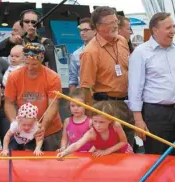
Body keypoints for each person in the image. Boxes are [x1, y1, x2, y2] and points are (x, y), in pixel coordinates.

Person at [128, 12, 175, 156]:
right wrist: (138, 120)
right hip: (155, 114)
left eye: (173, 26)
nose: (172, 31)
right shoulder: (141, 53)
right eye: (168, 28)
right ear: (155, 30)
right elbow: (135, 89)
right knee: (157, 157)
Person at [79, 6, 134, 147]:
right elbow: (86, 88)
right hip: (106, 106)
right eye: (111, 23)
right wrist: (94, 115)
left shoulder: (122, 40)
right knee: (112, 149)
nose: (116, 25)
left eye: (116, 21)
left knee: (129, 145)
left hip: (128, 103)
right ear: (99, 26)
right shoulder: (90, 52)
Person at [4, 42, 62, 151]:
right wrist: (15, 123)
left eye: (34, 64)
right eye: (27, 63)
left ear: (41, 59)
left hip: (51, 130)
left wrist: (43, 126)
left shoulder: (53, 77)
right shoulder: (14, 77)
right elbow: (9, 103)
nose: (30, 67)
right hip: (25, 130)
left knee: (52, 163)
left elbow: (53, 105)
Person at [57, 101, 133, 158]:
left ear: (110, 120)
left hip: (122, 153)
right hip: (104, 155)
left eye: (102, 122)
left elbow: (124, 142)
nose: (98, 125)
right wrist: (65, 152)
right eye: (95, 121)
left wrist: (107, 151)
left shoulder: (116, 125)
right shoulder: (92, 133)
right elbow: (77, 145)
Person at [69, 17, 95, 92]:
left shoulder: (103, 50)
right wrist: (73, 99)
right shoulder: (76, 54)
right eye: (80, 30)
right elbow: (72, 80)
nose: (82, 33)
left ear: (95, 31)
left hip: (102, 96)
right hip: (83, 95)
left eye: (86, 30)